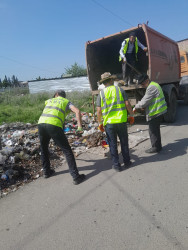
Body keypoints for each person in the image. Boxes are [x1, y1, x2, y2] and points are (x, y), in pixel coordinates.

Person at [38, 89, 86, 185]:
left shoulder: (49, 100)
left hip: (41, 124)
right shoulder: (66, 101)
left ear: (56, 94)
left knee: (44, 149)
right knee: (67, 151)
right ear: (64, 96)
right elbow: (77, 111)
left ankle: (46, 172)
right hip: (54, 125)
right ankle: (76, 177)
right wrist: (79, 126)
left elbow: (51, 112)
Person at [96, 72, 135, 172]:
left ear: (104, 83)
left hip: (109, 124)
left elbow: (99, 111)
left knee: (112, 144)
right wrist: (131, 115)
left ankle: (116, 165)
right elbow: (127, 104)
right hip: (121, 121)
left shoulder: (101, 93)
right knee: (124, 142)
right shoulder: (120, 90)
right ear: (111, 80)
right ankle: (127, 162)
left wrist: (100, 123)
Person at [133, 75, 167, 153]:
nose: (142, 86)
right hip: (159, 111)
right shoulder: (154, 84)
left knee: (152, 131)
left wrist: (135, 107)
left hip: (156, 112)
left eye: (142, 84)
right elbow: (150, 99)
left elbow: (144, 102)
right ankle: (158, 146)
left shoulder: (151, 87)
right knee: (156, 130)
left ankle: (155, 147)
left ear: (147, 81)